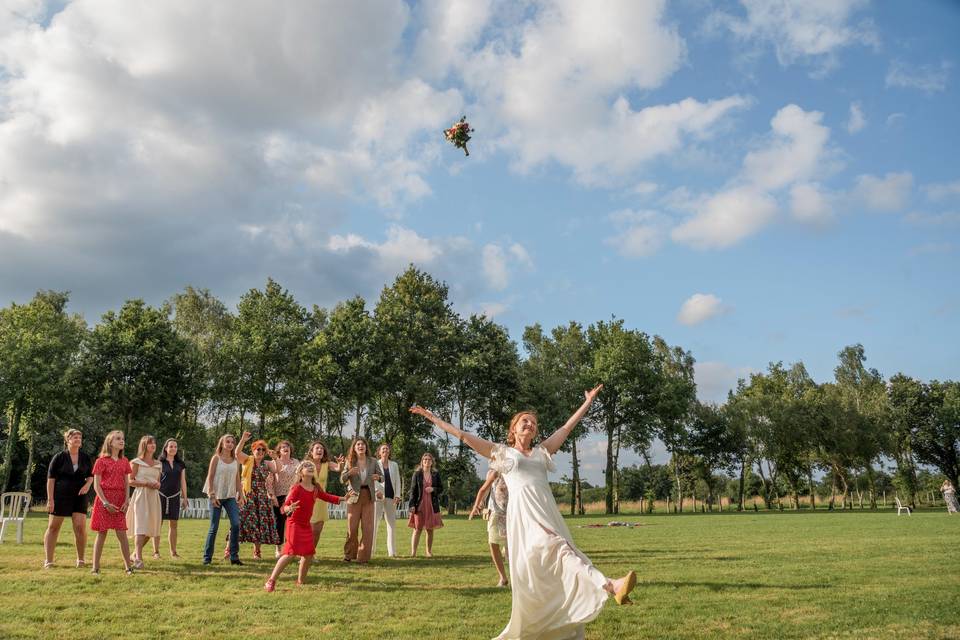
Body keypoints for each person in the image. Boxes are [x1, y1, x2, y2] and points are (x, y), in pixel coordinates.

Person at [411, 384, 637, 640]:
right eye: (524, 421)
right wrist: (431, 417)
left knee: (565, 555)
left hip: (547, 513)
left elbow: (566, 427)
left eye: (533, 423)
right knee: (560, 549)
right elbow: (462, 435)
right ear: (513, 429)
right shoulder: (502, 453)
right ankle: (611, 585)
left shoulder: (542, 452)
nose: (529, 424)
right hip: (525, 517)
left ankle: (596, 593)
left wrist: (587, 402)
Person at [264, 460, 345, 591]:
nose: (310, 467)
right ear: (300, 472)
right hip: (294, 524)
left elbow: (327, 497)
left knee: (308, 554)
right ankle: (271, 581)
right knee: (290, 554)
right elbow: (283, 508)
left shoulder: (315, 488)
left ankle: (301, 582)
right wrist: (289, 507)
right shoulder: (296, 488)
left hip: (306, 525)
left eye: (311, 466)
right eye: (306, 466)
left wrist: (344, 498)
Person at [43, 428, 94, 568]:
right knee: (53, 527)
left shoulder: (85, 457)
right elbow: (51, 479)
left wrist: (88, 485)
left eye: (79, 437)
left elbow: (91, 475)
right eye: (74, 437)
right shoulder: (59, 457)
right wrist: (50, 499)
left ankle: (81, 560)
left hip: (80, 496)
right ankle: (48, 560)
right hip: (60, 496)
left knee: (80, 527)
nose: (78, 439)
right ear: (67, 440)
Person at [89, 430, 134, 575]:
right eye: (118, 439)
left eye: (123, 439)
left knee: (122, 534)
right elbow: (96, 485)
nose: (122, 441)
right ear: (110, 442)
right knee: (101, 534)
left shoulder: (125, 461)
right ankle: (95, 568)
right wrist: (105, 503)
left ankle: (128, 567)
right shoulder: (101, 461)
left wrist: (127, 501)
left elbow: (127, 483)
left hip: (120, 500)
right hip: (104, 500)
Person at [202, 433, 246, 565]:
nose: (230, 444)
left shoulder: (235, 460)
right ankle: (207, 558)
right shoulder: (216, 458)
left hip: (230, 496)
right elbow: (210, 477)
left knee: (236, 524)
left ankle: (234, 557)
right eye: (227, 441)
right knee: (214, 527)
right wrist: (212, 494)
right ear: (222, 443)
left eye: (232, 442)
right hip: (216, 496)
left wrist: (241, 495)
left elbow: (237, 479)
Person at [340, 437, 380, 563]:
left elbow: (382, 477)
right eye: (358, 444)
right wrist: (349, 473)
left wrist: (378, 477)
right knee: (352, 528)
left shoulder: (373, 461)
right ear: (354, 447)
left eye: (363, 444)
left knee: (368, 528)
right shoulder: (350, 461)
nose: (361, 446)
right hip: (353, 497)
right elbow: (342, 479)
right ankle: (349, 555)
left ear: (366, 447)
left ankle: (363, 557)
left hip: (368, 496)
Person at [238, 439, 280, 559]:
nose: (261, 451)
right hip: (247, 494)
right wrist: (242, 440)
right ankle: (229, 550)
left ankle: (257, 552)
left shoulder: (267, 463)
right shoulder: (247, 460)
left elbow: (277, 469)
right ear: (253, 450)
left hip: (261, 497)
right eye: (258, 449)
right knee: (240, 522)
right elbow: (237, 453)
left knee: (259, 524)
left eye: (263, 450)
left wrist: (275, 458)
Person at [127, 435, 162, 569]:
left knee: (151, 529)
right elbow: (130, 481)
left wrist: (157, 485)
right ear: (144, 446)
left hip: (154, 497)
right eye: (150, 443)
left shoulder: (159, 464)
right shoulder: (136, 462)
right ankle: (139, 559)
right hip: (141, 496)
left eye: (154, 443)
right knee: (140, 527)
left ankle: (134, 554)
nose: (153, 445)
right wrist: (145, 483)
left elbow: (158, 481)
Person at [470, 468, 509, 587]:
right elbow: (485, 489)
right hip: (495, 513)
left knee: (510, 547)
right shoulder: (492, 472)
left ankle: (517, 578)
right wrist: (480, 503)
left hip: (511, 513)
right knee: (493, 543)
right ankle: (503, 578)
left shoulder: (514, 470)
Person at [306, 440, 344, 557]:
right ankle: (304, 554)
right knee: (309, 531)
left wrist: (341, 464)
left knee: (317, 531)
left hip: (322, 501)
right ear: (311, 452)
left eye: (322, 449)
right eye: (317, 448)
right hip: (308, 500)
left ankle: (311, 554)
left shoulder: (326, 464)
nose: (320, 450)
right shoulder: (306, 464)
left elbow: (338, 469)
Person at [155, 438, 188, 558]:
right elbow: (156, 480)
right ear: (166, 448)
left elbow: (183, 481)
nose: (173, 448)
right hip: (160, 495)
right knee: (158, 524)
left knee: (174, 525)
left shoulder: (180, 464)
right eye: (171, 446)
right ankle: (156, 552)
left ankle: (173, 552)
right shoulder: (159, 462)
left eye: (175, 447)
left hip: (175, 497)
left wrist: (185, 498)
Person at [407, 452, 443, 558]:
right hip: (419, 505)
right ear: (422, 462)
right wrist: (411, 505)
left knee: (430, 529)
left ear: (432, 462)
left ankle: (428, 552)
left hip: (432, 505)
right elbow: (413, 490)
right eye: (425, 460)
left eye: (429, 460)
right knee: (417, 529)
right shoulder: (417, 474)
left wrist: (433, 489)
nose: (427, 461)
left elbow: (441, 488)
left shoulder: (436, 474)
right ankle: (413, 552)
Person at [270, 440, 299, 558]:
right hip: (279, 496)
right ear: (279, 451)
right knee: (280, 523)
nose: (286, 448)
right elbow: (269, 481)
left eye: (288, 446)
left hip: (293, 496)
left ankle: (293, 547)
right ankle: (278, 548)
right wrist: (272, 495)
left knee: (294, 523)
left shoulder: (296, 462)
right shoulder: (275, 462)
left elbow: (301, 476)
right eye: (283, 447)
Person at [373, 443, 402, 558]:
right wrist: (376, 491)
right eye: (383, 449)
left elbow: (398, 481)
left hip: (391, 497)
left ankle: (392, 552)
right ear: (379, 452)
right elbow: (373, 479)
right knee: (375, 524)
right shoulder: (375, 464)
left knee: (391, 525)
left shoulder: (394, 465)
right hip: (378, 497)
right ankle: (371, 551)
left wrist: (398, 495)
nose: (385, 450)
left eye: (387, 449)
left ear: (389, 452)